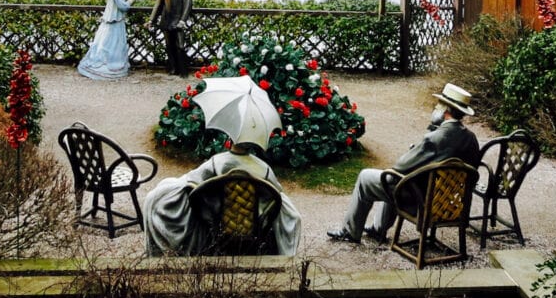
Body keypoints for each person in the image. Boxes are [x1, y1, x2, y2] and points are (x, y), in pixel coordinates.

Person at [326, 83, 480, 244]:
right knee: (396, 180)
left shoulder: (435, 138)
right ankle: (379, 229)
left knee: (370, 177)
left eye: (438, 104)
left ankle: (350, 232)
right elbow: (471, 175)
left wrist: (414, 149)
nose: (435, 107)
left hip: (419, 198)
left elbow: (400, 167)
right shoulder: (471, 139)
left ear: (445, 109)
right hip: (443, 201)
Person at [142, 142, 302, 256]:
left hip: (216, 227)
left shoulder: (216, 162)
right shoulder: (264, 169)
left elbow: (191, 182)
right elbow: (277, 195)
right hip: (253, 230)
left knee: (162, 189)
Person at [77, 0, 135, 80]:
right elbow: (123, 7)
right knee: (113, 44)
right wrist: (131, 0)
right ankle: (110, 66)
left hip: (113, 21)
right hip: (115, 22)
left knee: (109, 43)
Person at [146, 0, 192, 77]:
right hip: (166, 22)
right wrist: (151, 20)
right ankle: (173, 69)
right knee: (169, 46)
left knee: (180, 46)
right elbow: (158, 5)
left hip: (178, 22)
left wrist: (183, 20)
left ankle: (183, 71)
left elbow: (188, 3)